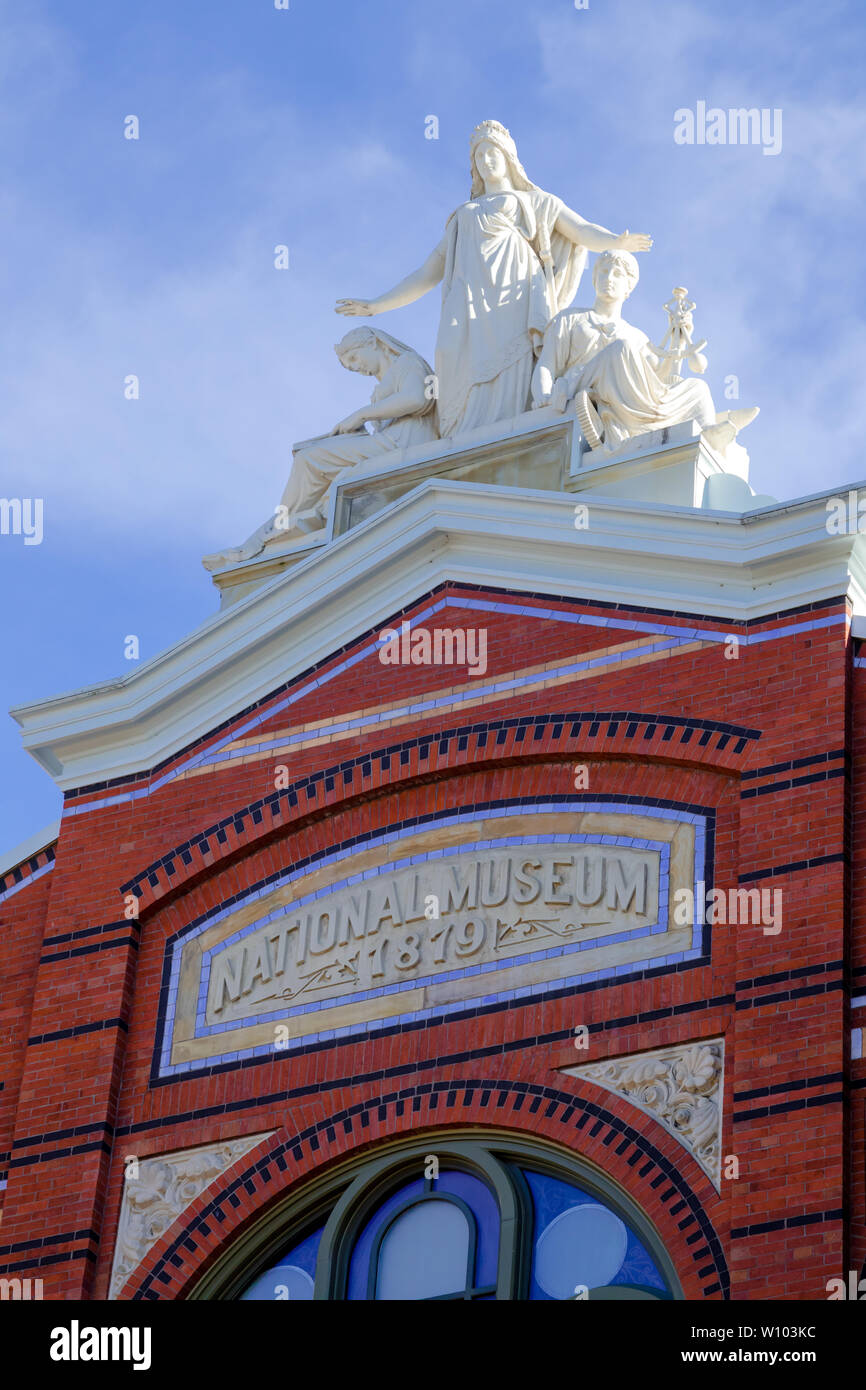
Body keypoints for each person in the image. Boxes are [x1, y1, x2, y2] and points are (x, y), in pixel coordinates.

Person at [336, 119, 652, 439]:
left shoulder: (537, 202)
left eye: (492, 153)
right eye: (479, 156)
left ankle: (510, 439)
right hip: (467, 305)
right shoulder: (464, 215)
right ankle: (462, 447)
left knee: (512, 367)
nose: (486, 161)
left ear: (508, 158)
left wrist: (616, 242)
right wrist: (377, 305)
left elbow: (582, 231)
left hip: (516, 298)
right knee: (451, 357)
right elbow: (428, 271)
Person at [227, 327, 437, 561]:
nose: (356, 367)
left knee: (310, 460)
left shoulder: (408, 361)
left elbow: (418, 397)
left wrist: (362, 415)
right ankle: (288, 522)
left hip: (403, 444)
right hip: (389, 443)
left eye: (354, 358)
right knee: (315, 462)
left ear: (373, 344)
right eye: (350, 366)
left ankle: (280, 523)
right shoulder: (383, 385)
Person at [533, 249, 757, 455]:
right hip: (582, 388)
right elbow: (546, 365)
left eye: (617, 274)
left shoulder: (636, 336)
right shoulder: (571, 319)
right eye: (603, 271)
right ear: (594, 278)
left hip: (627, 400)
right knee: (620, 349)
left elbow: (658, 379)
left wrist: (677, 335)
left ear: (628, 286)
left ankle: (708, 431)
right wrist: (543, 399)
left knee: (698, 388)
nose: (608, 278)